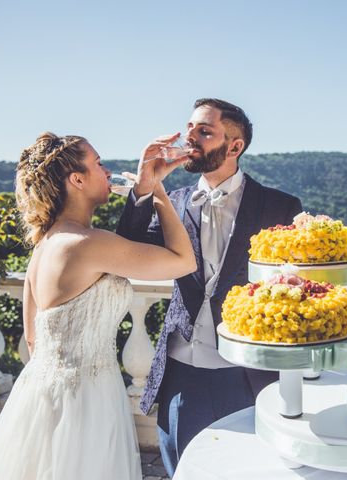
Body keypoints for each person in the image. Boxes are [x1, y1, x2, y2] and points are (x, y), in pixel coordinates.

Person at [0, 132, 197, 480]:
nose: (107, 172)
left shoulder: (46, 245)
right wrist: (157, 191)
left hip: (41, 394)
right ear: (76, 179)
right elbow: (184, 261)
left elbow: (34, 342)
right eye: (98, 163)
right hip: (87, 401)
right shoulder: (87, 244)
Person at [116, 98, 303, 476]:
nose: (191, 137)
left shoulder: (279, 206)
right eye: (190, 128)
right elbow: (127, 249)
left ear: (234, 146)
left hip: (248, 373)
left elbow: (297, 284)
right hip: (182, 372)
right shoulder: (174, 201)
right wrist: (145, 184)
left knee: (250, 470)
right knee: (182, 468)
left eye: (204, 131)